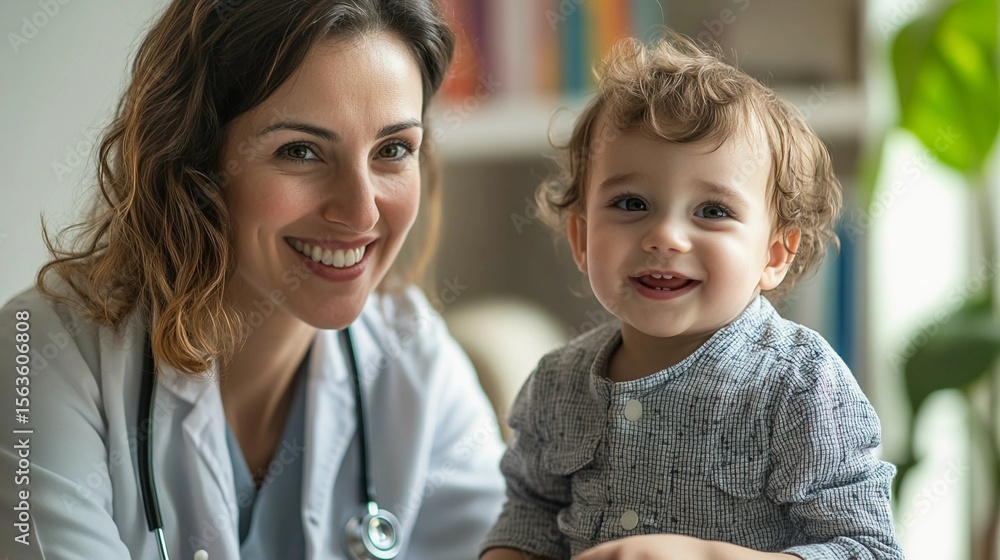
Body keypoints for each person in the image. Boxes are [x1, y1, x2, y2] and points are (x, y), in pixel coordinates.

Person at [0, 1, 507, 559]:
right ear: (195, 161)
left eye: (392, 150)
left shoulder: (415, 356)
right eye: (300, 151)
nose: (362, 213)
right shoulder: (38, 353)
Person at [481, 34, 903, 560]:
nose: (666, 237)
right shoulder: (557, 383)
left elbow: (867, 549)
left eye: (712, 211)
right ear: (581, 239)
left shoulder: (802, 388)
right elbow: (528, 512)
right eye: (631, 202)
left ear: (774, 254)